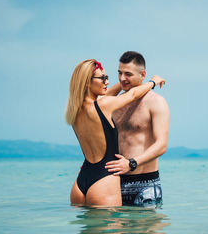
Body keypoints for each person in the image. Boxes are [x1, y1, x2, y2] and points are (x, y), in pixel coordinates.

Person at [65, 59, 165, 206]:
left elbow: (106, 94)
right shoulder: (104, 104)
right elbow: (132, 95)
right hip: (103, 182)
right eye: (102, 78)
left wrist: (125, 81)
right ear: (87, 82)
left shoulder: (75, 111)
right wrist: (152, 82)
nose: (106, 82)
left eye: (107, 78)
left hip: (80, 184)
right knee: (112, 229)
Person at [105, 51, 170, 207]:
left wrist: (132, 163)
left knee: (143, 232)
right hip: (114, 182)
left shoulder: (156, 102)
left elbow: (161, 145)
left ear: (142, 74)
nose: (122, 78)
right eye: (119, 73)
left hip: (144, 184)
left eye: (128, 74)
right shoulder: (115, 103)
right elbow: (97, 101)